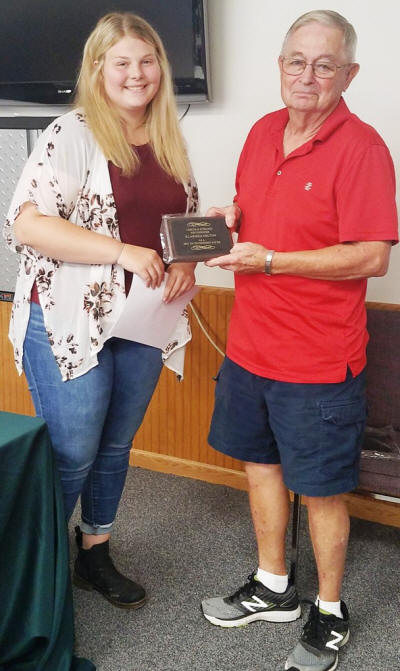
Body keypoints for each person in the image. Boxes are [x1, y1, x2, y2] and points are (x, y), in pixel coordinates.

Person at [200, 9, 398, 671]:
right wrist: (230, 216)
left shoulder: (363, 148)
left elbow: (372, 255)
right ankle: (274, 585)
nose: (307, 75)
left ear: (349, 74)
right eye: (296, 61)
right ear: (280, 65)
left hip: (317, 360)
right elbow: (256, 213)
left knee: (321, 490)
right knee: (260, 466)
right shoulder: (262, 131)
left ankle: (331, 611)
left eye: (324, 64)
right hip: (250, 347)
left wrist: (270, 260)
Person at [3, 12, 198, 610]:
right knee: (73, 452)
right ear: (97, 69)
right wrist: (121, 252)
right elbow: (27, 226)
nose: (137, 74)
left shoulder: (168, 137)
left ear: (161, 67)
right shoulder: (73, 133)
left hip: (143, 318)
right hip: (68, 319)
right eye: (122, 62)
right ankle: (31, 573)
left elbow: (183, 223)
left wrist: (186, 262)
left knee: (115, 446)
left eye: (147, 61)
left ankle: (94, 554)